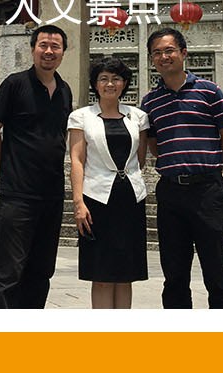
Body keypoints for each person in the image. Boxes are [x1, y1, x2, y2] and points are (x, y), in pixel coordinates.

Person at [141, 28, 223, 309]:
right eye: (157, 53)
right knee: (174, 273)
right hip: (171, 193)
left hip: (208, 191)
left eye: (169, 50)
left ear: (183, 53)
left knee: (216, 269)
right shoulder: (150, 102)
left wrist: (211, 167)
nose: (163, 57)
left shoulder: (209, 91)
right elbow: (154, 145)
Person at [0, 25, 73, 309]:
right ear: (33, 48)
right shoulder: (14, 84)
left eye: (55, 46)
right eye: (43, 45)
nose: (49, 51)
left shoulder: (65, 90)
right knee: (9, 271)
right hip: (17, 195)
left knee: (42, 270)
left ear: (63, 52)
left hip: (52, 195)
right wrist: (6, 169)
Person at [68, 57, 151, 309]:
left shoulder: (138, 116)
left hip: (130, 198)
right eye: (103, 79)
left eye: (116, 79)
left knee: (126, 274)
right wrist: (78, 202)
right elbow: (77, 160)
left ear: (124, 83)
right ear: (95, 84)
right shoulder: (81, 117)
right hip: (96, 199)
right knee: (101, 273)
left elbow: (140, 159)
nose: (110, 84)